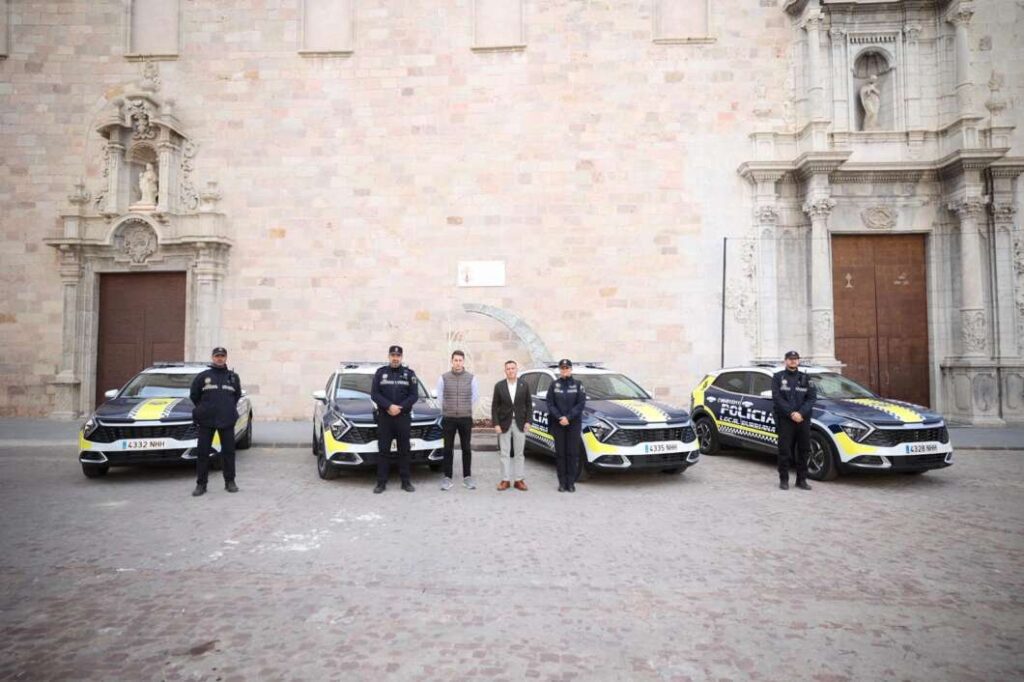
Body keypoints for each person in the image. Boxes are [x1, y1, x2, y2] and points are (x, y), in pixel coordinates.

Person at [189, 347, 242, 497]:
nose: (219, 358)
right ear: (212, 357)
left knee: (229, 453)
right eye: (217, 356)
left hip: (226, 420)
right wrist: (205, 409)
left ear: (226, 358)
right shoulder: (203, 376)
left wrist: (226, 407)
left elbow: (236, 396)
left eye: (222, 356)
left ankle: (230, 482)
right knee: (203, 453)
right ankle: (201, 484)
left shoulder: (233, 377)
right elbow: (194, 395)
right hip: (207, 421)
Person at [370, 345, 419, 494]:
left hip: (403, 417)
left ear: (401, 357)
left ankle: (405, 482)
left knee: (404, 451)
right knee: (383, 451)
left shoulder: (409, 374)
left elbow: (414, 395)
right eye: (393, 355)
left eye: (398, 356)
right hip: (385, 417)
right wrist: (389, 406)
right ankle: (381, 483)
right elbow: (374, 394)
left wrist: (400, 408)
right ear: (389, 357)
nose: (395, 358)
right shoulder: (380, 373)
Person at [771, 350, 817, 491]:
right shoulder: (778, 377)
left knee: (804, 450)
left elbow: (811, 398)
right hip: (786, 420)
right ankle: (784, 480)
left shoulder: (806, 378)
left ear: (798, 361)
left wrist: (800, 413)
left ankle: (801, 480)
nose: (793, 361)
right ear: (785, 361)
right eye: (790, 359)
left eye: (795, 358)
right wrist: (791, 413)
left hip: (803, 420)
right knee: (784, 451)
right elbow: (777, 398)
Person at [435, 350, 479, 491]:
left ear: (463, 362)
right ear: (452, 361)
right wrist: (448, 408)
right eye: (455, 360)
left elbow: (475, 396)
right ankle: (447, 477)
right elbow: (440, 396)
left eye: (460, 360)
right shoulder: (444, 378)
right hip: (449, 418)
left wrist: (464, 408)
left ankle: (467, 477)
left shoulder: (471, 378)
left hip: (465, 418)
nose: (458, 363)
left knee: (466, 448)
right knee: (448, 449)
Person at [545, 359, 586, 493]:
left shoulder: (578, 385)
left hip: (573, 424)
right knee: (560, 454)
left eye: (567, 368)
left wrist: (568, 417)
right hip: (558, 424)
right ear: (560, 370)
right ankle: (562, 483)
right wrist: (560, 417)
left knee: (572, 454)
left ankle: (571, 483)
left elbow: (580, 404)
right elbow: (550, 404)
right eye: (562, 368)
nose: (564, 370)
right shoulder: (554, 385)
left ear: (571, 369)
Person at [491, 359, 532, 491]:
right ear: (505, 371)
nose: (510, 371)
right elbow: (494, 407)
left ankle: (519, 480)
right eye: (508, 369)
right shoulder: (499, 386)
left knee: (519, 453)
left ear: (516, 369)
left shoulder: (524, 385)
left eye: (512, 368)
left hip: (520, 423)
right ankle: (505, 480)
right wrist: (496, 423)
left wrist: (528, 421)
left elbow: (529, 405)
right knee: (504, 453)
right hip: (504, 423)